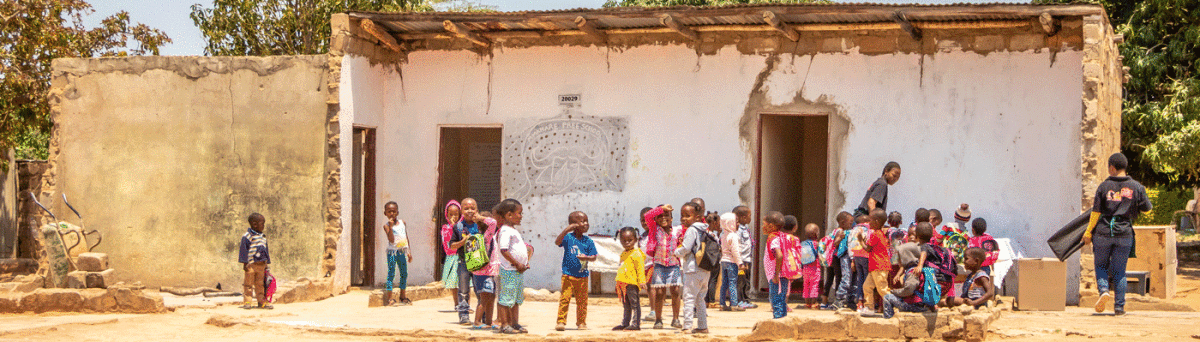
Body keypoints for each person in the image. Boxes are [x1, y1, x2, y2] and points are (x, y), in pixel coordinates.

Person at [1084, 152, 1152, 316]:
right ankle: (1119, 308)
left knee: (1101, 266)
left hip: (1103, 232)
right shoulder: (1136, 187)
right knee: (1120, 271)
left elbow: (1096, 213)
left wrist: (1088, 233)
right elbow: (1147, 208)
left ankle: (1104, 291)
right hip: (1124, 233)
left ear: (1112, 168)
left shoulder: (1104, 186)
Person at [554, 211, 598, 331]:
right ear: (573, 224)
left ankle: (581, 322)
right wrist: (566, 230)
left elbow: (594, 256)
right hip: (568, 275)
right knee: (565, 298)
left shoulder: (588, 241)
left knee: (582, 301)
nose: (586, 224)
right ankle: (561, 322)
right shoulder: (568, 237)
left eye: (586, 221)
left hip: (582, 276)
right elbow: (557, 242)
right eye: (582, 221)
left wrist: (586, 258)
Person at [495, 198, 532, 334]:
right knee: (506, 299)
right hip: (509, 270)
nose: (521, 216)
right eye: (519, 213)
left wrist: (524, 263)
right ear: (509, 215)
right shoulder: (505, 231)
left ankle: (514, 323)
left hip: (517, 271)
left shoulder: (513, 230)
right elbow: (504, 250)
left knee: (515, 299)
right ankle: (505, 324)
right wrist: (517, 263)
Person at [673, 202, 710, 334]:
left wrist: (676, 252)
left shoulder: (692, 230)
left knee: (688, 298)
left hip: (692, 268)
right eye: (682, 215)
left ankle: (687, 326)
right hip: (705, 269)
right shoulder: (706, 229)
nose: (683, 219)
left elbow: (686, 248)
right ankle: (702, 326)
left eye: (687, 215)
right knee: (700, 299)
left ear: (698, 217)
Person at [644, 204, 682, 329]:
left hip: (674, 265)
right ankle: (658, 319)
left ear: (671, 218)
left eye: (666, 215)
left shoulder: (677, 230)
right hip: (659, 265)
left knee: (676, 292)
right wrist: (662, 208)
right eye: (659, 216)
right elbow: (647, 216)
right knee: (660, 293)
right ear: (655, 219)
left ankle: (675, 319)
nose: (663, 218)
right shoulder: (654, 229)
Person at [449, 198, 485, 324]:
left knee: (481, 290)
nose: (470, 211)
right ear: (461, 211)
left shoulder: (481, 224)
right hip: (463, 262)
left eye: (473, 208)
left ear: (477, 209)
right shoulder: (458, 227)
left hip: (479, 264)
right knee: (463, 291)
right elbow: (452, 245)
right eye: (466, 208)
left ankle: (483, 316)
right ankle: (464, 315)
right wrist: (463, 242)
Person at [882, 242, 930, 318]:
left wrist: (895, 292)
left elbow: (909, 289)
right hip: (919, 304)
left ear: (906, 257)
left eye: (900, 257)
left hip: (915, 306)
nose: (898, 260)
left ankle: (888, 320)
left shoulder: (913, 272)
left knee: (887, 297)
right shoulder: (916, 268)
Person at [470, 210, 500, 330]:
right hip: (484, 274)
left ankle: (488, 321)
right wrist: (480, 217)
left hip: (487, 273)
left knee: (491, 297)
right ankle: (477, 321)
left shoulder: (478, 237)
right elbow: (493, 222)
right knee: (484, 299)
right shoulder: (486, 237)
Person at [613, 227, 647, 331]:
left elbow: (640, 268)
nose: (627, 243)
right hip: (623, 283)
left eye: (630, 240)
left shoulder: (637, 253)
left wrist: (642, 281)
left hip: (632, 283)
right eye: (624, 241)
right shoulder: (623, 253)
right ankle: (625, 323)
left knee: (634, 304)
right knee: (626, 304)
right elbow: (621, 268)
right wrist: (618, 283)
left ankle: (636, 324)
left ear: (636, 240)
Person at [860, 208, 891, 315]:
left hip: (879, 266)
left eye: (870, 220)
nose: (869, 223)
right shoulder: (880, 234)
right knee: (867, 287)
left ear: (877, 222)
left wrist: (860, 240)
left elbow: (867, 248)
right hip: (875, 267)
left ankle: (893, 306)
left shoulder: (876, 234)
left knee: (882, 289)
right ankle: (869, 308)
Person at [238, 213, 271, 309]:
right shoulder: (247, 236)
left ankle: (261, 301)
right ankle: (247, 302)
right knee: (248, 284)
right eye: (262, 224)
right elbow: (243, 250)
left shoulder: (263, 236)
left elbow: (266, 250)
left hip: (261, 265)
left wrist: (267, 263)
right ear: (254, 224)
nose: (263, 226)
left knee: (260, 285)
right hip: (251, 265)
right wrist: (245, 263)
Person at [382, 202, 412, 306]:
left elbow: (405, 237)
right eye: (389, 211)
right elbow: (391, 240)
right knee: (391, 273)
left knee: (404, 273)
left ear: (397, 212)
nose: (391, 213)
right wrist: (390, 227)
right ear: (385, 213)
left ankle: (402, 296)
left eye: (394, 211)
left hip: (401, 252)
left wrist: (409, 252)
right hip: (392, 253)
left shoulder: (402, 223)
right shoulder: (386, 226)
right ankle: (390, 298)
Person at [761, 211, 787, 318]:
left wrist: (776, 275)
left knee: (776, 300)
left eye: (764, 224)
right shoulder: (781, 236)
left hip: (776, 276)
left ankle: (778, 320)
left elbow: (779, 255)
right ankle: (782, 320)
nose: (763, 227)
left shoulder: (773, 238)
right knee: (781, 300)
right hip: (782, 275)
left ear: (771, 226)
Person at [718, 212, 744, 311]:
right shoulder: (733, 236)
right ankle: (734, 304)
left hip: (723, 261)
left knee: (724, 283)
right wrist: (740, 263)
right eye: (736, 221)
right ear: (730, 223)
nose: (737, 224)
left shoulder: (723, 235)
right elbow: (735, 251)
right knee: (733, 283)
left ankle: (722, 304)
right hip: (732, 262)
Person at [440, 200, 462, 311]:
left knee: (463, 282)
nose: (453, 216)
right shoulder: (445, 228)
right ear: (446, 214)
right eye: (451, 214)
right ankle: (456, 303)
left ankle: (464, 303)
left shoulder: (463, 226)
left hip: (461, 257)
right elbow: (448, 242)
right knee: (453, 283)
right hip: (452, 258)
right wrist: (452, 227)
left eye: (456, 214)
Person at [638, 207, 659, 322]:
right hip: (644, 265)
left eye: (648, 219)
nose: (645, 222)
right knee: (648, 287)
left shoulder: (656, 232)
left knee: (651, 287)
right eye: (642, 220)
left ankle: (654, 311)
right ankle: (654, 310)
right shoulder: (642, 235)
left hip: (654, 264)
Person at [830, 211, 854, 310]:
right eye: (850, 222)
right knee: (846, 276)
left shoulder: (848, 230)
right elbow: (835, 243)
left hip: (847, 255)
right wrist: (840, 238)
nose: (851, 224)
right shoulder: (840, 231)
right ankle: (839, 298)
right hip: (844, 256)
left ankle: (846, 298)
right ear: (843, 222)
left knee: (847, 277)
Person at [734, 206, 757, 309]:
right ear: (742, 217)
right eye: (749, 216)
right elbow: (738, 246)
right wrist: (740, 261)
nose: (750, 218)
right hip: (742, 261)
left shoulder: (746, 228)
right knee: (741, 281)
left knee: (746, 280)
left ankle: (746, 299)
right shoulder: (738, 230)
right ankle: (740, 300)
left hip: (747, 259)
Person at [848, 215, 871, 311]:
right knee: (867, 280)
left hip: (856, 257)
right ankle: (867, 303)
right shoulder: (868, 230)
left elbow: (850, 245)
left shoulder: (853, 231)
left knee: (859, 279)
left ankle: (859, 303)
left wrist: (852, 259)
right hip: (866, 256)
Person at [800, 223, 822, 309]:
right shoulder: (816, 244)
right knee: (814, 285)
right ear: (816, 234)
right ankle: (814, 303)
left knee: (806, 285)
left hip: (805, 268)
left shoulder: (802, 243)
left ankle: (807, 303)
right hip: (815, 267)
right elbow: (821, 254)